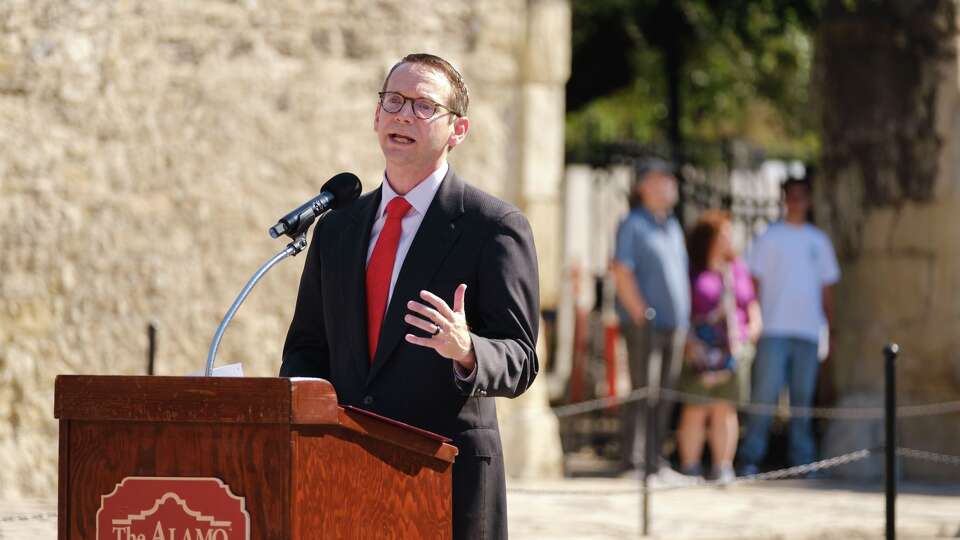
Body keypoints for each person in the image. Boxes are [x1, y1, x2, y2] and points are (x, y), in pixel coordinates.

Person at [280, 53, 540, 539]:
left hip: (446, 476)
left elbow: (520, 359)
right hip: (344, 472)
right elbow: (307, 348)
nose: (403, 114)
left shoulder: (494, 228)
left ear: (457, 130)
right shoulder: (337, 228)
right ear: (376, 116)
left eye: (424, 106)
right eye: (394, 101)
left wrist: (467, 350)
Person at [738, 177, 839, 475]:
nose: (796, 202)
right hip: (773, 330)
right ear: (785, 200)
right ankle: (751, 457)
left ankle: (803, 460)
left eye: (801, 196)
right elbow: (752, 283)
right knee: (764, 397)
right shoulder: (768, 237)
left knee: (803, 401)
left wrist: (831, 330)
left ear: (808, 201)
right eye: (791, 196)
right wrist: (751, 323)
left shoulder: (818, 241)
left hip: (808, 331)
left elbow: (827, 290)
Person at [611, 158, 690, 476]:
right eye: (662, 179)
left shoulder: (672, 225)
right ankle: (634, 460)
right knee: (645, 390)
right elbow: (621, 269)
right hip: (646, 323)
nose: (670, 185)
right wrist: (639, 312)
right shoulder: (633, 223)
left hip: (676, 325)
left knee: (666, 394)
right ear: (643, 186)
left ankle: (656, 460)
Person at [676, 210, 761, 484]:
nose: (728, 239)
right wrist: (689, 343)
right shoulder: (691, 269)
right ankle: (690, 466)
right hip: (700, 346)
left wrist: (749, 339)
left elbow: (750, 305)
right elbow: (682, 308)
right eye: (722, 234)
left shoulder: (737, 268)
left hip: (733, 347)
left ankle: (723, 467)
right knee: (696, 407)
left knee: (725, 409)